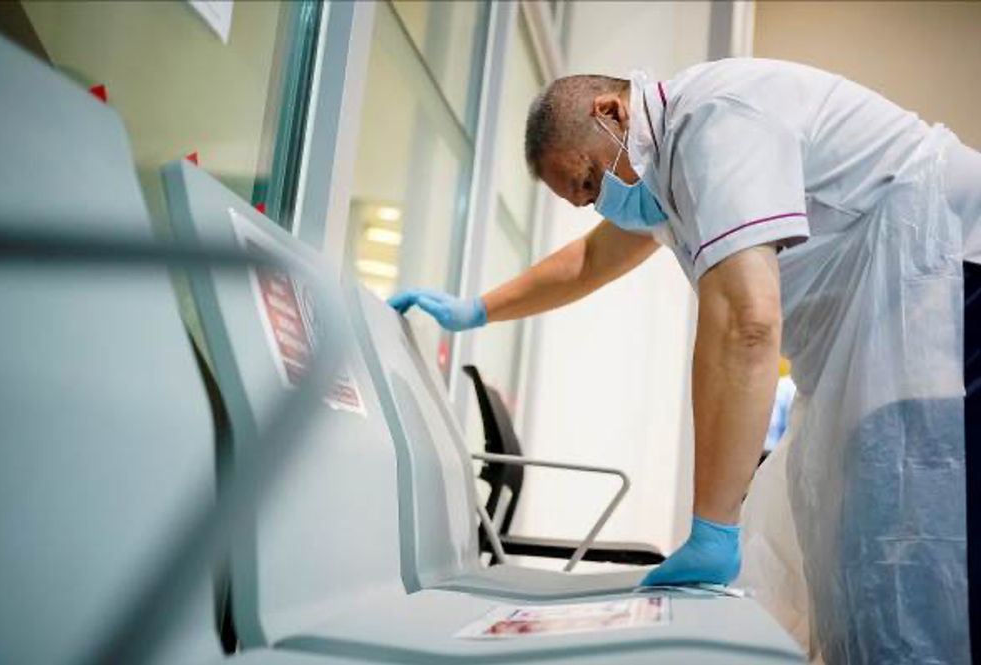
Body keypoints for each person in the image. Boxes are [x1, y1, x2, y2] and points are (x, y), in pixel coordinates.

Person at [388, 58, 981, 664]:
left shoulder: (712, 124)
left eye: (589, 180)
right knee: (863, 546)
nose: (599, 203)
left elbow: (746, 325)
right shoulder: (666, 174)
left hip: (950, 280)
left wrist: (713, 527)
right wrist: (477, 310)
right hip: (889, 324)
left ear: (612, 113)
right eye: (583, 200)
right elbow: (588, 262)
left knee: (919, 541)